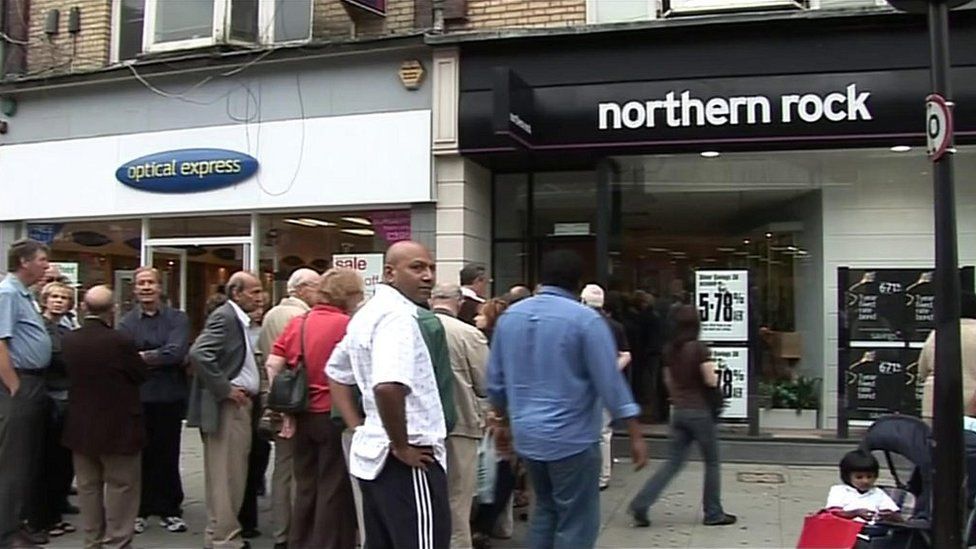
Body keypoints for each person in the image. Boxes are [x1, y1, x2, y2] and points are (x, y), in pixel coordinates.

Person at [487, 249, 648, 548]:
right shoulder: (585, 320)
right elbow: (609, 381)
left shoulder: (511, 317)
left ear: (540, 278)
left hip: (528, 436)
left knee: (545, 511)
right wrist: (635, 432)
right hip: (572, 438)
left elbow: (495, 381)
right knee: (576, 521)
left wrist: (502, 423)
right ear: (577, 283)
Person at [326, 240, 451, 549]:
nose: (428, 277)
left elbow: (336, 371)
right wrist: (401, 445)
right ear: (390, 273)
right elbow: (387, 385)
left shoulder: (369, 313)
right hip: (409, 458)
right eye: (417, 267)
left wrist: (359, 426)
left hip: (378, 454)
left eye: (431, 268)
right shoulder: (397, 317)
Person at [267, 269, 362, 549]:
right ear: (348, 295)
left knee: (305, 484)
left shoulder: (300, 322)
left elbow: (273, 363)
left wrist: (285, 409)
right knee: (333, 486)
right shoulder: (347, 325)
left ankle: (299, 540)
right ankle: (326, 543)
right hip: (332, 414)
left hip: (301, 413)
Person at [629, 305, 737, 528]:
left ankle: (641, 503)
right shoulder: (699, 349)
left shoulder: (669, 350)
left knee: (673, 463)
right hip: (700, 412)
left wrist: (678, 398)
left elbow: (668, 381)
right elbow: (710, 380)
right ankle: (713, 512)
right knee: (712, 462)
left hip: (678, 411)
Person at [61, 285, 148, 549]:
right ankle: (117, 541)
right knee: (121, 486)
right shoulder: (120, 341)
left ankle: (92, 539)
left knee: (88, 487)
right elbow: (139, 374)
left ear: (83, 307)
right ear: (113, 310)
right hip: (118, 426)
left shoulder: (70, 340)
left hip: (80, 425)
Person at [187, 271, 264, 549]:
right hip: (228, 408)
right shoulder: (226, 317)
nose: (260, 297)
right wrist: (225, 388)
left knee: (231, 475)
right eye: (254, 292)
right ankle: (225, 539)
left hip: (238, 405)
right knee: (227, 476)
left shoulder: (237, 320)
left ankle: (219, 534)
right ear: (236, 293)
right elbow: (199, 352)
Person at [117, 266, 190, 535]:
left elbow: (175, 352)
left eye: (151, 283)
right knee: (141, 455)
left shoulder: (177, 319)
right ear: (134, 289)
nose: (146, 287)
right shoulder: (126, 322)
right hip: (139, 397)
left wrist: (142, 356)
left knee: (168, 453)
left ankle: (170, 509)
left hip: (169, 397)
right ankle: (141, 509)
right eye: (141, 283)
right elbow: (123, 357)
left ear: (160, 288)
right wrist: (156, 356)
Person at [257, 267, 319, 549]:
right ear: (303, 288)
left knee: (282, 466)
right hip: (295, 398)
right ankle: (293, 528)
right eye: (316, 287)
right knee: (295, 468)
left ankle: (281, 530)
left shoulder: (271, 314)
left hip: (277, 397)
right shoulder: (299, 317)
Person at [0, 239, 54, 549]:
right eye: (42, 260)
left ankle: (17, 523)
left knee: (27, 460)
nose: (46, 265)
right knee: (13, 461)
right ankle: (5, 532)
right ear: (24, 261)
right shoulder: (7, 294)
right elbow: (0, 343)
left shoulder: (25, 294)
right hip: (19, 383)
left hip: (33, 381)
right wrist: (14, 387)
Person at [429, 282, 490, 549]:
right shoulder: (468, 334)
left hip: (419, 426)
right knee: (457, 498)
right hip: (461, 422)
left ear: (432, 301)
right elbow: (486, 383)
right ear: (460, 303)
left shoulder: (411, 328)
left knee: (426, 498)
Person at [30, 282, 78, 539]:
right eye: (54, 297)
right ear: (45, 300)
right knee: (47, 461)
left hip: (68, 397)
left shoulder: (67, 326)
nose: (59, 301)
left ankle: (57, 510)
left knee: (63, 459)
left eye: (64, 298)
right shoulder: (41, 327)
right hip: (49, 397)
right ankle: (43, 519)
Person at [580, 283, 632, 491]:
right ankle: (603, 475)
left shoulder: (579, 323)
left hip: (583, 385)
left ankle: (590, 474)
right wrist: (609, 372)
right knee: (603, 432)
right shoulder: (614, 326)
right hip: (605, 386)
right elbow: (626, 354)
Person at [239, 300, 272, 540]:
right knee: (247, 456)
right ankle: (245, 517)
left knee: (260, 451)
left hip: (262, 397)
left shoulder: (264, 329)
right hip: (246, 398)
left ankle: (257, 481)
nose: (258, 311)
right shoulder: (238, 329)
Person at [919, 291, 976, 424]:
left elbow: (922, 370)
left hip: (934, 405)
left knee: (933, 443)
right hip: (970, 408)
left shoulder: (938, 334)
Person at [825, 450, 900, 522]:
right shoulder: (839, 491)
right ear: (847, 477)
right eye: (859, 477)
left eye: (869, 477)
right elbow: (833, 513)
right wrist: (855, 513)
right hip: (845, 529)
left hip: (872, 530)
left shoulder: (879, 493)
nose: (865, 481)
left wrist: (889, 515)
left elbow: (894, 513)